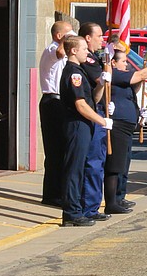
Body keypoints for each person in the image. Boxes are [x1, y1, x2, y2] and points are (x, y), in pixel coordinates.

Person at [102, 47, 147, 213]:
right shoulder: (114, 74)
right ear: (113, 62)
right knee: (115, 165)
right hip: (117, 124)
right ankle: (111, 203)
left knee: (123, 164)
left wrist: (138, 112)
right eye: (124, 61)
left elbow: (134, 87)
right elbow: (140, 75)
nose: (126, 65)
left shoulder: (122, 76)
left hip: (127, 125)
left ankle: (119, 198)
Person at [58, 34, 113, 227]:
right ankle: (72, 212)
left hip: (85, 124)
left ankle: (81, 209)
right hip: (77, 124)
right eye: (83, 49)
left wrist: (101, 84)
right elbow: (80, 105)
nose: (87, 52)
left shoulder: (80, 71)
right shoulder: (73, 73)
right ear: (73, 51)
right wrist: (102, 121)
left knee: (82, 168)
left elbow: (93, 100)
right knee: (74, 169)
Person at [38, 20, 74, 207]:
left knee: (64, 149)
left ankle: (60, 191)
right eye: (68, 34)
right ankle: (52, 194)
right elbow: (59, 52)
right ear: (59, 36)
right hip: (52, 100)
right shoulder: (52, 50)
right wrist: (65, 41)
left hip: (62, 101)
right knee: (55, 150)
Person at [78, 22, 110, 222]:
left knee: (98, 163)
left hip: (97, 109)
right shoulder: (88, 60)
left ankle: (93, 206)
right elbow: (99, 79)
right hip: (90, 115)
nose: (102, 39)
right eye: (98, 36)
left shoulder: (94, 58)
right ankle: (89, 207)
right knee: (93, 164)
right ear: (88, 38)